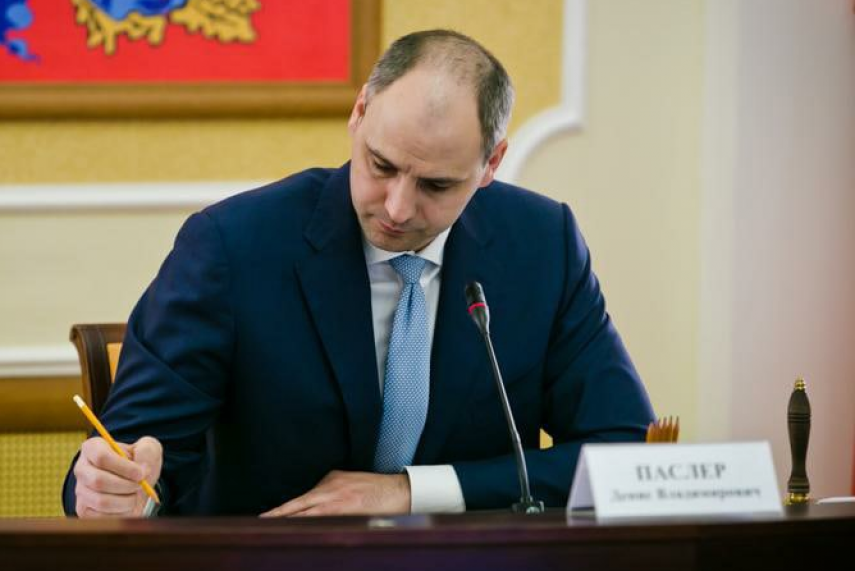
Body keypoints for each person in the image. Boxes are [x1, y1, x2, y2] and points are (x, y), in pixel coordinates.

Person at [62, 29, 654, 518]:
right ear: (360, 112)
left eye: (436, 185)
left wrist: (411, 491)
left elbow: (626, 453)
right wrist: (117, 491)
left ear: (490, 164)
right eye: (381, 166)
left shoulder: (542, 245)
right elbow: (129, 457)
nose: (397, 207)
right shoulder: (233, 247)